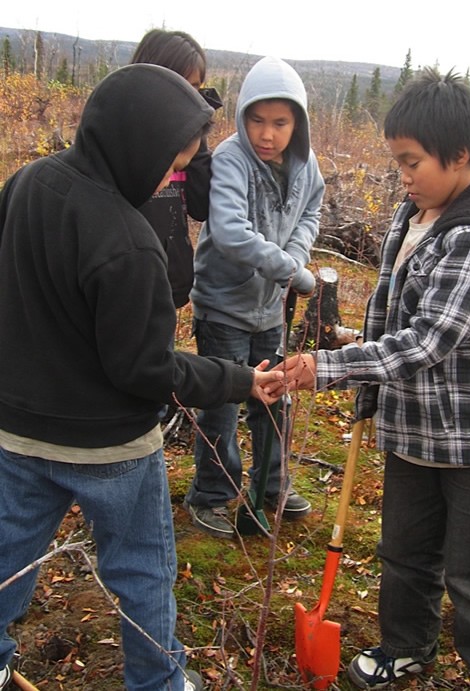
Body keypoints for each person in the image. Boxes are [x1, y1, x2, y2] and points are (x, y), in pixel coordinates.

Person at [0, 64, 282, 691]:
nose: (168, 179)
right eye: (167, 162)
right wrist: (239, 380)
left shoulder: (24, 184)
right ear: (132, 142)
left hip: (17, 433)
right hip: (111, 448)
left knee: (6, 559)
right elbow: (144, 370)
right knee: (142, 570)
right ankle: (159, 681)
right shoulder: (129, 244)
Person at [268, 69, 470, 690]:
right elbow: (390, 314)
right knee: (406, 552)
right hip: (416, 429)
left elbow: (426, 342)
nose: (404, 176)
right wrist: (364, 383)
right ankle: (407, 646)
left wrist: (325, 368)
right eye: (398, 162)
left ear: (462, 155)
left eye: (413, 162)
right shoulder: (413, 214)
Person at [184, 55, 325, 539]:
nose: (268, 134)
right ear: (243, 116)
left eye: (281, 123)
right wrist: (291, 269)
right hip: (223, 305)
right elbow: (228, 231)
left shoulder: (307, 166)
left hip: (271, 309)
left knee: (275, 396)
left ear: (297, 122)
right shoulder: (230, 159)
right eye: (257, 120)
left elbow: (311, 212)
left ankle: (272, 484)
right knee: (223, 400)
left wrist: (297, 256)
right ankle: (213, 493)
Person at [131, 28, 223, 309]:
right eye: (178, 86)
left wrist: (196, 134)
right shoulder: (126, 142)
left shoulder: (187, 148)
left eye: (194, 90)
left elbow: (201, 206)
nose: (187, 100)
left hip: (171, 288)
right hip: (131, 290)